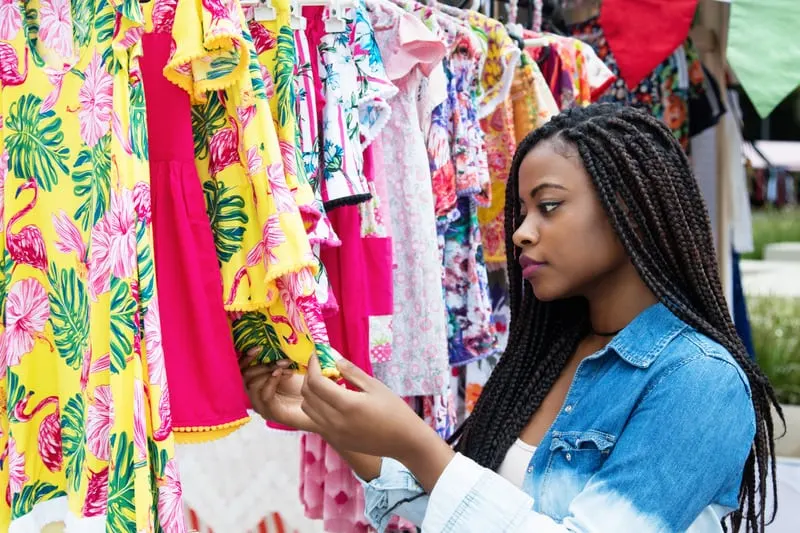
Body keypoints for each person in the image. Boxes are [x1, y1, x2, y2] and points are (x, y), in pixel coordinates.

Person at [240, 104, 781, 533]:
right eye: (521, 211)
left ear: (629, 212)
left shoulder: (700, 381)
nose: (521, 232)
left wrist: (417, 444)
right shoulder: (549, 357)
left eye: (548, 206)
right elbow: (473, 513)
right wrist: (337, 426)